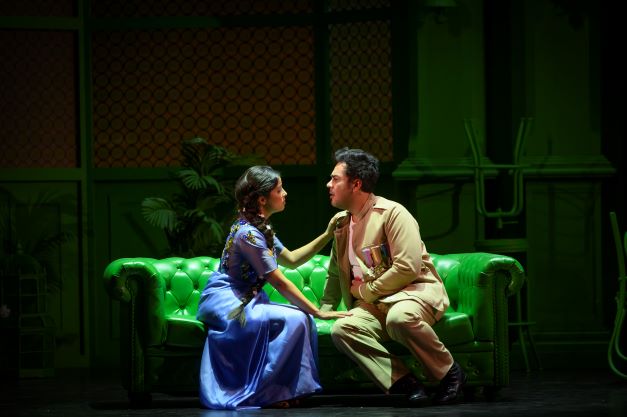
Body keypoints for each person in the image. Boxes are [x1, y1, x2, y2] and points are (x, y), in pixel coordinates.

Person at [319, 147, 466, 406]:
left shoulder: (392, 213)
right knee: (343, 329)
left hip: (412, 293)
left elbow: (408, 267)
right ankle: (404, 383)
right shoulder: (341, 224)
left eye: (335, 179)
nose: (328, 184)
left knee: (400, 317)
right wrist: (324, 310)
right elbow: (335, 272)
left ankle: (450, 374)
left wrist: (365, 291)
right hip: (375, 305)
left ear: (356, 184)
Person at [196, 165, 350, 410]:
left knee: (300, 318)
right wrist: (317, 311)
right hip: (231, 301)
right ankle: (269, 392)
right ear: (262, 199)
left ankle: (284, 390)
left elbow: (292, 259)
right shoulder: (249, 234)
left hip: (246, 296)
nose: (285, 193)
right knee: (298, 318)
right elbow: (278, 280)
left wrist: (328, 234)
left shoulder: (260, 228)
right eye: (279, 190)